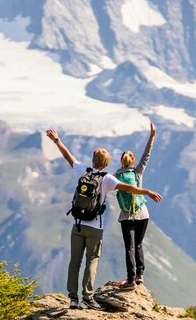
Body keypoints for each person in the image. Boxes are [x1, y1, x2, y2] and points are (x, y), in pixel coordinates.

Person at [45, 128, 162, 310]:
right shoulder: (108, 178)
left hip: (77, 225)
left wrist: (57, 140)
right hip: (95, 227)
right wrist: (147, 191)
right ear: (107, 163)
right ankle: (88, 297)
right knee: (91, 261)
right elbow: (128, 189)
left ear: (93, 160)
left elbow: (68, 156)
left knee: (74, 262)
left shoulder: (83, 171)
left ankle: (73, 299)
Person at [115, 122, 156, 290]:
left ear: (121, 161)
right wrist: (152, 135)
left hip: (127, 216)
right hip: (142, 214)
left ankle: (130, 280)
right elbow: (146, 155)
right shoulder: (137, 172)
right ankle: (140, 276)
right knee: (139, 244)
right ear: (132, 161)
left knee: (129, 246)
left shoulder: (115, 177)